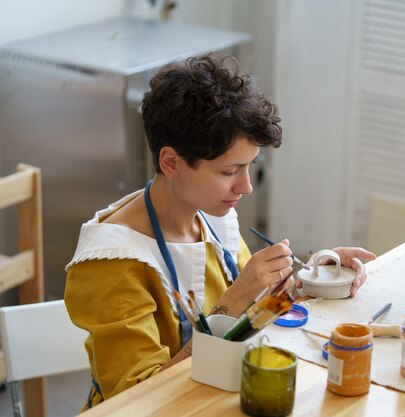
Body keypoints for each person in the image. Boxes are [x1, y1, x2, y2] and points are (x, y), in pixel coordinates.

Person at [64, 53, 376, 409]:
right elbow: (136, 400)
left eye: (249, 167)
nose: (246, 187)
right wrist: (233, 301)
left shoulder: (212, 215)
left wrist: (314, 278)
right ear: (172, 162)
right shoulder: (111, 262)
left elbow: (255, 318)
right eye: (230, 172)